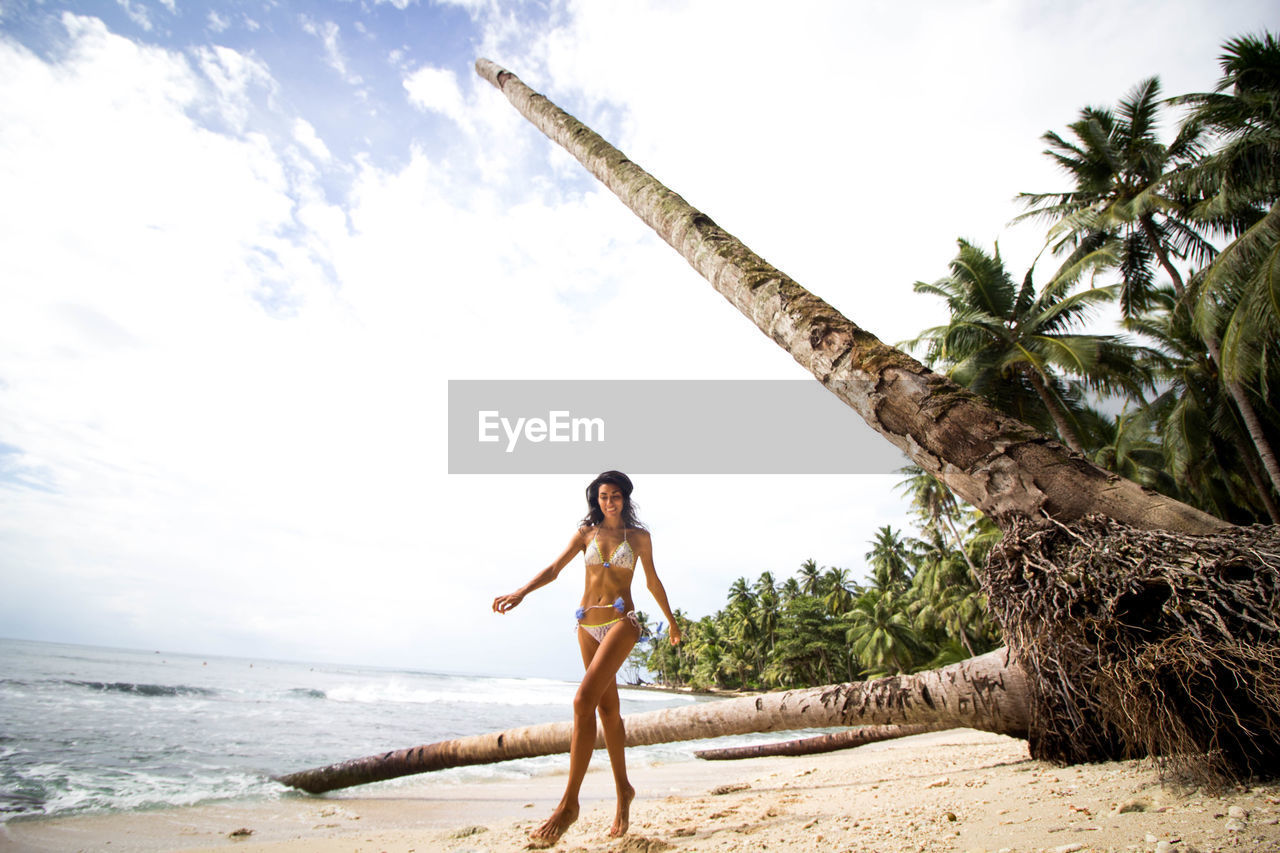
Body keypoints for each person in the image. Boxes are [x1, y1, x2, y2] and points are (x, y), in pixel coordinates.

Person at [492, 470, 681, 846]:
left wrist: (672, 623)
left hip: (621, 623)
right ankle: (624, 792)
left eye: (614, 496)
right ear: (596, 500)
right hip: (585, 626)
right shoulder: (586, 534)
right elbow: (553, 569)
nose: (608, 502)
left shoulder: (639, 538)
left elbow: (652, 581)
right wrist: (522, 591)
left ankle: (568, 805)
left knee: (582, 701)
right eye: (602, 496)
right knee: (607, 712)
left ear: (626, 498)